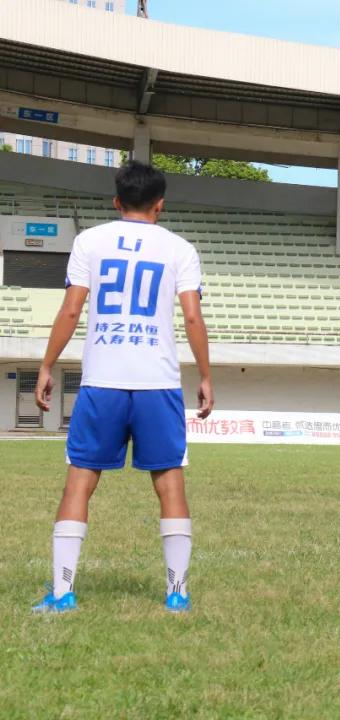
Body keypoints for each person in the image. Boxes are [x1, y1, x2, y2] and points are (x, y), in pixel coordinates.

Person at [31, 161, 213, 614]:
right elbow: (192, 317)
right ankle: (177, 594)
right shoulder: (180, 249)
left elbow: (72, 310)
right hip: (158, 383)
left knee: (79, 483)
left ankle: (62, 593)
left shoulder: (89, 241)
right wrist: (207, 376)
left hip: (102, 382)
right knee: (170, 483)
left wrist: (46, 365)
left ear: (116, 202)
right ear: (161, 204)